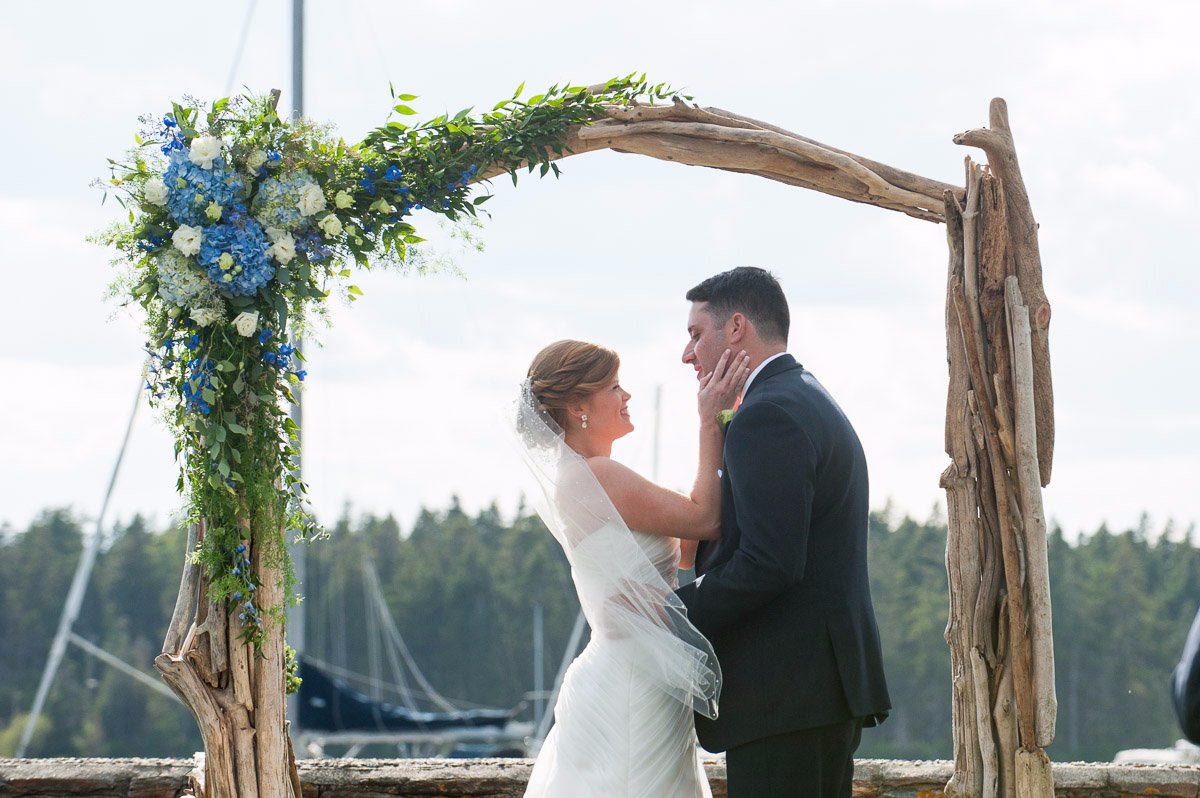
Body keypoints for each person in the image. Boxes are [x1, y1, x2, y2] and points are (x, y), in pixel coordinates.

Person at [675, 267, 891, 798]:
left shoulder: (768, 414)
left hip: (786, 693)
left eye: (695, 334)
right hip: (813, 689)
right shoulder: (801, 396)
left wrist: (674, 615)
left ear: (737, 328)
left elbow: (769, 561)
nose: (687, 354)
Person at [513, 339, 749, 798]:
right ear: (579, 404)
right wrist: (709, 421)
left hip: (640, 671)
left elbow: (685, 550)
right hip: (630, 683)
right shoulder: (597, 475)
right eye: (614, 386)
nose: (627, 396)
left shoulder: (588, 476)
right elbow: (706, 520)